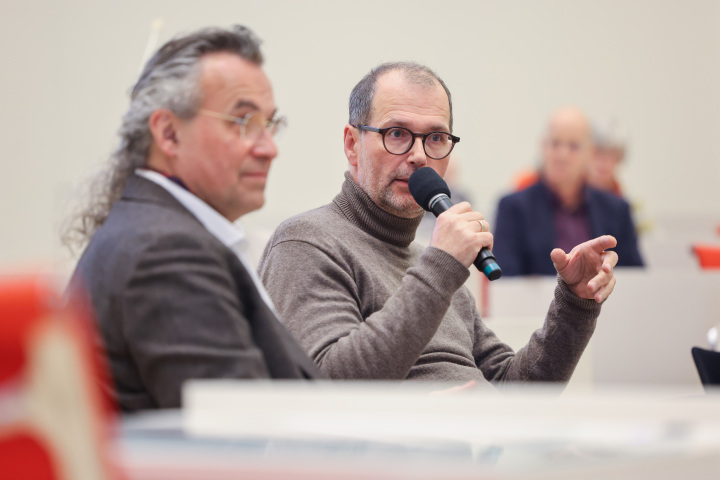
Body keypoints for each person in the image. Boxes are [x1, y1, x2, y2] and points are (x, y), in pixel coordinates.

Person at [258, 63, 617, 386]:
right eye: (397, 133)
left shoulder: (431, 262)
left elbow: (512, 390)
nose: (418, 156)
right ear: (353, 144)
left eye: (435, 138)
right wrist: (441, 267)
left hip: (485, 449)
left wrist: (574, 302)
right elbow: (330, 386)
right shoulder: (305, 242)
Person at [66, 25, 320, 411]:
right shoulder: (166, 252)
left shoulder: (150, 227)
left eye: (270, 125)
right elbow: (241, 441)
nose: (269, 149)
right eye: (243, 122)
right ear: (168, 134)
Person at [492, 107, 644, 277]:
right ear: (543, 147)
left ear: (590, 153)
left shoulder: (617, 210)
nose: (562, 155)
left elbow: (635, 278)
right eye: (555, 143)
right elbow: (505, 282)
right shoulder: (513, 208)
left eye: (573, 146)